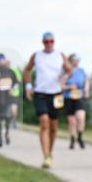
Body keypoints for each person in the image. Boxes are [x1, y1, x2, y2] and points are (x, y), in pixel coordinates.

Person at [23, 32, 72, 169]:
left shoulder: (60, 55)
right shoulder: (37, 55)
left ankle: (50, 152)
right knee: (44, 122)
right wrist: (28, 86)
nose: (49, 44)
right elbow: (27, 70)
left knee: (54, 126)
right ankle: (46, 156)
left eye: (51, 41)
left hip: (56, 94)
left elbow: (70, 70)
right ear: (43, 42)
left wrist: (63, 79)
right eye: (46, 41)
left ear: (54, 42)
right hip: (40, 93)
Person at [64, 54, 89, 149]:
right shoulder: (66, 72)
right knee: (72, 121)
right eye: (75, 60)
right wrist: (69, 87)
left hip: (79, 97)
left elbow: (86, 81)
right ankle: (72, 139)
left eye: (78, 60)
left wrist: (86, 90)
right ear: (70, 61)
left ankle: (80, 137)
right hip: (68, 97)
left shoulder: (81, 71)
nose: (76, 62)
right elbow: (60, 85)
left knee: (81, 117)